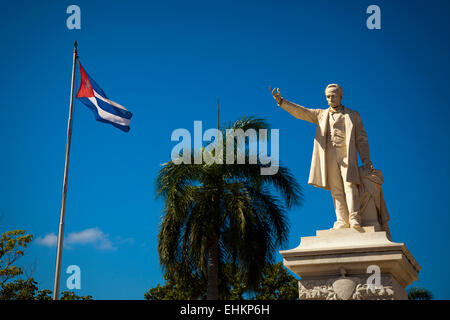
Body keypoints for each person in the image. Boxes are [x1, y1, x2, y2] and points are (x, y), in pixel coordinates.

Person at [271, 84, 373, 229]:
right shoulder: (321, 114)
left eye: (333, 95)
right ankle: (342, 220)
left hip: (346, 154)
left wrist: (366, 160)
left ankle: (354, 217)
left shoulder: (353, 115)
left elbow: (361, 139)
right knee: (336, 189)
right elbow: (302, 112)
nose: (330, 99)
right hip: (329, 154)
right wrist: (282, 101)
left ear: (340, 96)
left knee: (350, 185)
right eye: (327, 96)